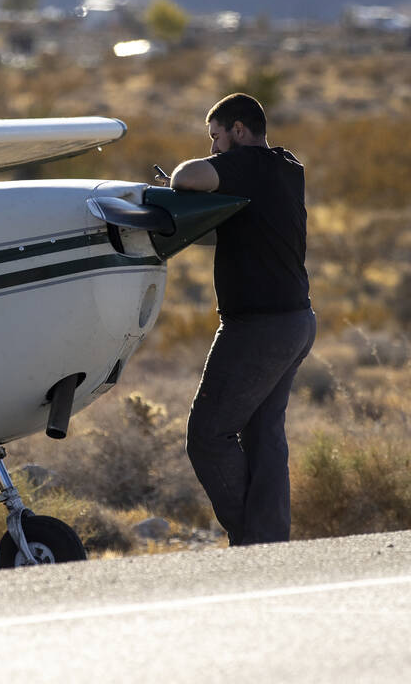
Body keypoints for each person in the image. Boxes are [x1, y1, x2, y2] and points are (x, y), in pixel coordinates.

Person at [168, 92, 315, 546]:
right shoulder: (286, 168)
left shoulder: (247, 164)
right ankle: (270, 544)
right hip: (296, 321)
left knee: (208, 435)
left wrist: (177, 185)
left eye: (216, 137)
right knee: (264, 435)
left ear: (239, 131)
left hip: (258, 328)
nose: (212, 147)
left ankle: (250, 540)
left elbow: (187, 176)